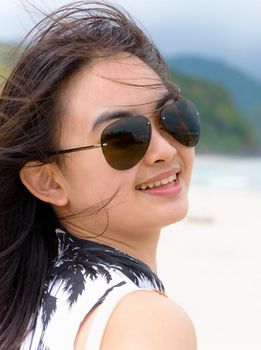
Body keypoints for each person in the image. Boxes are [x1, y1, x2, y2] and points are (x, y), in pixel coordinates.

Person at [0, 1, 200, 349]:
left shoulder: (22, 308)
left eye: (173, 117)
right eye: (123, 138)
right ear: (49, 181)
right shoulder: (147, 322)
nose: (166, 150)